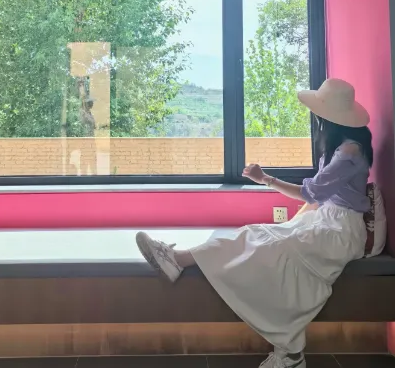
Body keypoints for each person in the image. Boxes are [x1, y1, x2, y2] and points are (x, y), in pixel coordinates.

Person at [136, 79, 373, 368]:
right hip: (327, 221)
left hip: (341, 232)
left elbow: (311, 193)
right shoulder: (343, 147)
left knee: (272, 249)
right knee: (256, 234)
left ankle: (290, 351)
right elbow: (319, 200)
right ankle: (178, 259)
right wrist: (295, 223)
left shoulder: (349, 153)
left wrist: (266, 180)